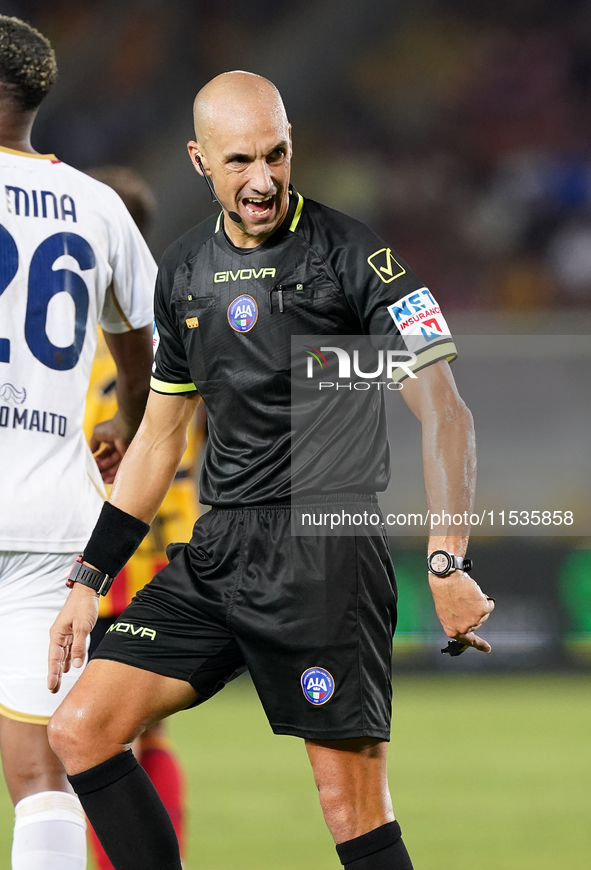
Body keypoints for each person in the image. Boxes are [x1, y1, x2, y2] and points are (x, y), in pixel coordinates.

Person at [47, 71, 495, 870]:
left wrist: (446, 559)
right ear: (199, 160)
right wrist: (90, 577)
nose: (263, 179)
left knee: (347, 807)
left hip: (326, 547)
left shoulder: (358, 258)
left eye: (277, 156)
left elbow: (446, 411)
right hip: (221, 548)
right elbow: (156, 441)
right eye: (241, 161)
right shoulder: (183, 271)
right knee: (81, 730)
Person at [0, 16, 155, 870]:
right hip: (55, 524)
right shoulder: (97, 206)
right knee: (41, 777)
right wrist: (122, 430)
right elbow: (148, 368)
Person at [83, 164, 206, 867]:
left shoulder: (95, 337)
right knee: (139, 740)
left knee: (93, 740)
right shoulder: (181, 320)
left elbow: (106, 456)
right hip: (174, 557)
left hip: (112, 563)